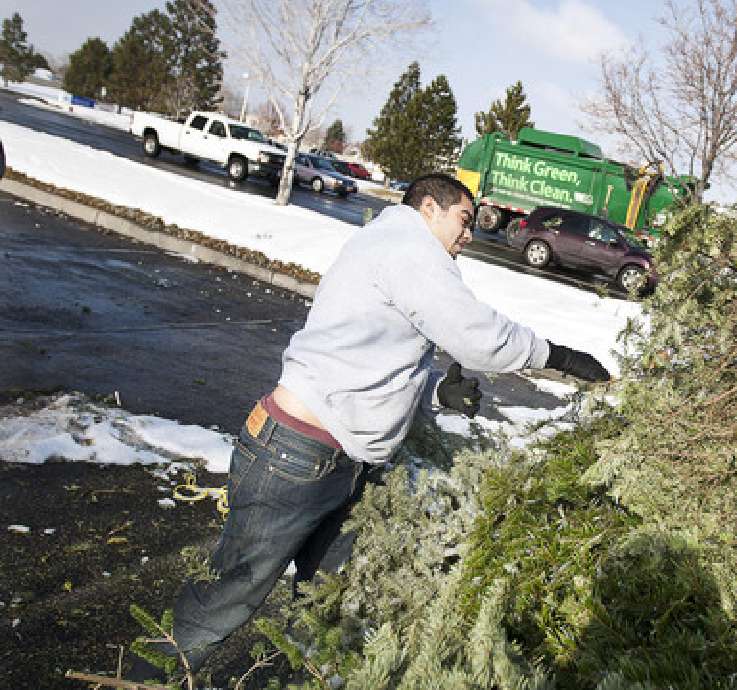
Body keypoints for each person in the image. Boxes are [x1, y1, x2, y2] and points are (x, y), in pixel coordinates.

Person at [130, 173, 610, 681]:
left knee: (334, 600)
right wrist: (557, 355)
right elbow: (477, 337)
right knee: (230, 594)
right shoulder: (408, 246)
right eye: (464, 220)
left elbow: (372, 362)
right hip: (295, 456)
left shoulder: (390, 247)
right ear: (429, 208)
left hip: (332, 462)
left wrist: (434, 393)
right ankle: (144, 680)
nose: (469, 235)